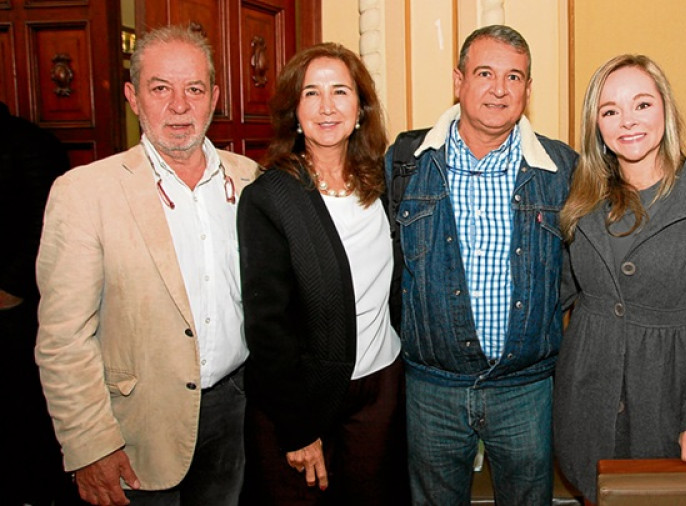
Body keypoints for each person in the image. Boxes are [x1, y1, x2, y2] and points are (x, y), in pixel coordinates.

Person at [34, 25, 258, 506]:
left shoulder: (250, 180)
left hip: (236, 418)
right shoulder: (83, 194)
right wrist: (89, 445)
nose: (179, 106)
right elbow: (61, 339)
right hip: (134, 431)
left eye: (194, 89)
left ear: (214, 97)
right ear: (134, 97)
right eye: (161, 88)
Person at [385, 25, 577, 505]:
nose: (499, 89)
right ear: (459, 80)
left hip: (525, 388)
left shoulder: (562, 170)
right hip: (433, 387)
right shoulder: (407, 162)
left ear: (528, 90)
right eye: (485, 73)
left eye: (514, 77)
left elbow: (581, 271)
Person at [552, 54, 686, 504]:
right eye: (610, 110)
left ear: (665, 110)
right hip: (586, 398)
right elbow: (557, 294)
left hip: (669, 396)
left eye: (642, 104)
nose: (628, 121)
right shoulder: (579, 198)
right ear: (596, 124)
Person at [237, 42, 409, 505]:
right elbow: (266, 327)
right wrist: (297, 429)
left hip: (380, 390)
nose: (328, 107)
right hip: (303, 399)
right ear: (295, 111)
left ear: (360, 108)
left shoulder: (382, 182)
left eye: (341, 92)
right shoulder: (270, 198)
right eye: (312, 94)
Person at [0, 101, 79, 506]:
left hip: (16, 313)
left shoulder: (28, 143)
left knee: (24, 416)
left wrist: (10, 288)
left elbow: (44, 226)